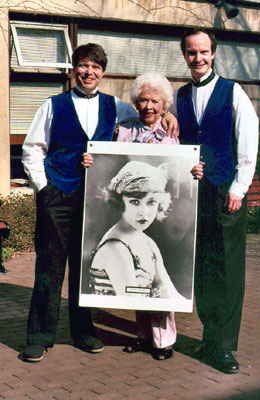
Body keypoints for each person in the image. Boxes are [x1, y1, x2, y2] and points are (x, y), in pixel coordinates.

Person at [21, 43, 178, 363]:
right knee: (49, 268)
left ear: (102, 72)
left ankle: (83, 332)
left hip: (93, 201)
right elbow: (32, 149)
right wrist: (45, 187)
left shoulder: (116, 107)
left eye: (95, 67)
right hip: (59, 196)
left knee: (84, 269)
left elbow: (147, 114)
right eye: (83, 65)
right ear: (73, 69)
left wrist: (169, 115)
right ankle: (39, 336)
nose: (88, 72)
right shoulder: (53, 106)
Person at [169, 28, 259, 373]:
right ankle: (209, 338)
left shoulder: (232, 92)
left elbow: (246, 145)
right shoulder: (179, 96)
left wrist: (238, 188)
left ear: (213, 53)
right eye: (192, 53)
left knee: (228, 270)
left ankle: (223, 346)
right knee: (204, 267)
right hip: (195, 194)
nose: (198, 58)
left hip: (226, 192)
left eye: (204, 52)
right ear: (185, 56)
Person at [100, 72, 201, 360]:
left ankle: (163, 340)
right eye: (142, 100)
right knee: (138, 274)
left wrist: (194, 170)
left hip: (160, 216)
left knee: (158, 275)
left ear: (164, 105)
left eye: (155, 101)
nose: (148, 106)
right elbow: (111, 161)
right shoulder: (124, 131)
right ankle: (143, 335)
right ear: (135, 103)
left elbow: (181, 172)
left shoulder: (172, 136)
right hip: (133, 215)